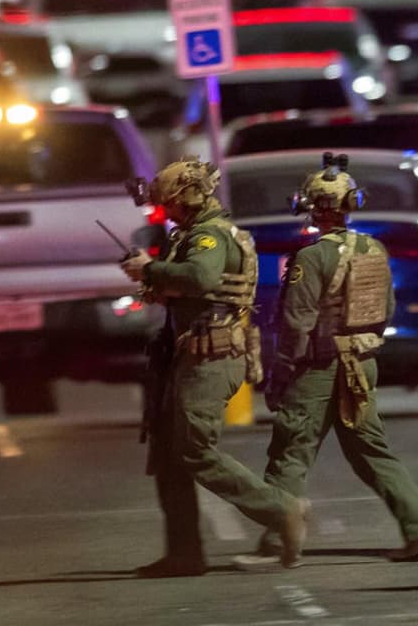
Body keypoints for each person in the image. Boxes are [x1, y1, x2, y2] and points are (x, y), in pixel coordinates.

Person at [235, 155, 418, 568]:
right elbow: (386, 308)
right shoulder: (374, 249)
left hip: (318, 367)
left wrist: (281, 374)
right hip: (361, 363)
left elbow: (297, 323)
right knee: (370, 450)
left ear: (312, 206)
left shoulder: (311, 258)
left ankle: (278, 541)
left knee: (292, 449)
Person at [120, 158, 309, 578]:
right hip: (190, 354)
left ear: (188, 196)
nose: (167, 212)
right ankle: (184, 553)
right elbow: (187, 289)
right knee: (170, 455)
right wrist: (153, 276)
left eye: (170, 203)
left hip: (211, 355)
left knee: (194, 449)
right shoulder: (190, 234)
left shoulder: (209, 236)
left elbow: (202, 278)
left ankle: (282, 510)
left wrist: (149, 268)